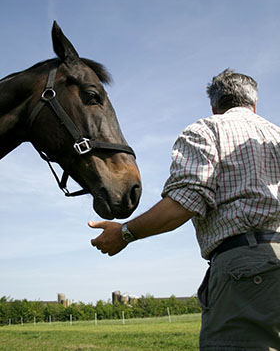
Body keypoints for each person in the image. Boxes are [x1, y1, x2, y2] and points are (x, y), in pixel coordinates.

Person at [88, 69, 280, 350]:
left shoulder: (207, 130)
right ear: (254, 104)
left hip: (246, 272)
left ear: (215, 107)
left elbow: (186, 201)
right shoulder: (275, 134)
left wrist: (124, 233)